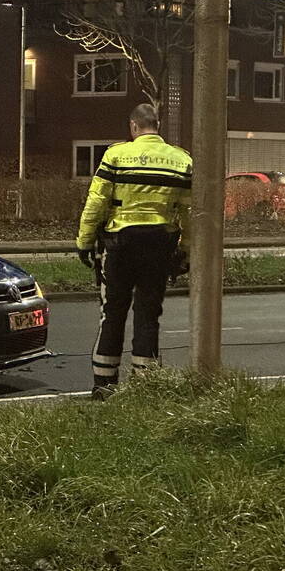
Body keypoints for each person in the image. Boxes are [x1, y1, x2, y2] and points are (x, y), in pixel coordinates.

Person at [75, 104, 192, 400]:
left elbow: (96, 202)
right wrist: (185, 250)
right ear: (158, 125)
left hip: (120, 245)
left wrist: (84, 241)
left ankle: (104, 385)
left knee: (112, 314)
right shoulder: (181, 160)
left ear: (134, 126)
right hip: (159, 245)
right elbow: (189, 212)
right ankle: (146, 386)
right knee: (148, 314)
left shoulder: (115, 156)